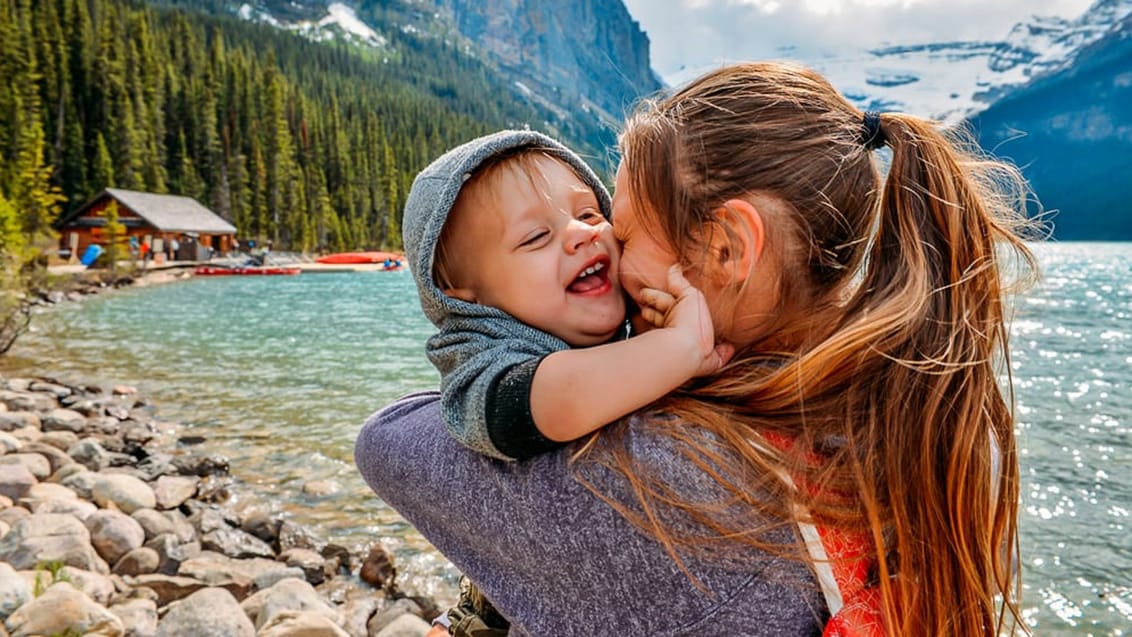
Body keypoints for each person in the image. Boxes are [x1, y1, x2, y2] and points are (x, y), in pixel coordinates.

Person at [356, 61, 1036, 636]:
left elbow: (387, 443)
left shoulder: (664, 484)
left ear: (726, 247)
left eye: (612, 224)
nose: (601, 249)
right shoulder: (899, 407)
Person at [398, 129, 726, 463]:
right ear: (466, 298)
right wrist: (679, 348)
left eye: (589, 214)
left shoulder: (641, 315)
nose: (581, 233)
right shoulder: (481, 362)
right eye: (537, 236)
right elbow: (553, 400)